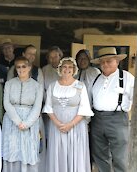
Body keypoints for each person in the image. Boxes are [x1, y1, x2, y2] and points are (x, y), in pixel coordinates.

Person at [42, 57, 94, 172]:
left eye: (70, 67)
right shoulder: (52, 85)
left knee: (74, 152)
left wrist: (70, 124)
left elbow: (84, 108)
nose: (67, 69)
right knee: (58, 151)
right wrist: (58, 124)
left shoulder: (80, 85)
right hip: (57, 126)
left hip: (75, 126)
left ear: (74, 69)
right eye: (64, 66)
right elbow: (48, 107)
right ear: (60, 68)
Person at [89, 47, 135, 172]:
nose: (105, 64)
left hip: (118, 120)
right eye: (102, 62)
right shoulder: (96, 79)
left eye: (109, 61)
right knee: (100, 154)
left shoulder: (127, 78)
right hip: (97, 119)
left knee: (120, 156)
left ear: (117, 61)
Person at [6, 44, 46, 172]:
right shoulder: (9, 84)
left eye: (24, 66)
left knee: (28, 150)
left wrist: (27, 123)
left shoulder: (37, 86)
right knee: (13, 149)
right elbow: (6, 103)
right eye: (18, 67)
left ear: (29, 67)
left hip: (30, 121)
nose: (21, 69)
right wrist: (18, 121)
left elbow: (37, 106)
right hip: (12, 121)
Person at [41, 46, 63, 148]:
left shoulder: (66, 69)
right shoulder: (44, 70)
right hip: (49, 108)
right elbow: (42, 89)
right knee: (49, 136)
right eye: (50, 57)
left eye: (55, 56)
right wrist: (49, 103)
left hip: (63, 108)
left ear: (60, 56)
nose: (53, 59)